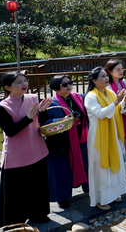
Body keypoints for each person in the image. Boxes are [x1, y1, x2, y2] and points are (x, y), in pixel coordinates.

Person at [0, 72, 53, 227]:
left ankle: (39, 214)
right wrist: (28, 117)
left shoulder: (33, 98)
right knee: (16, 193)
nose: (24, 84)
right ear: (7, 88)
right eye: (18, 82)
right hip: (16, 155)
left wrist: (42, 111)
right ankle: (14, 224)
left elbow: (42, 121)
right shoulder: (2, 107)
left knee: (38, 186)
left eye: (25, 81)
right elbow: (11, 132)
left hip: (37, 148)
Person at [85, 67, 126, 210]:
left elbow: (120, 109)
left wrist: (124, 99)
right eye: (102, 77)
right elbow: (101, 114)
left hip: (114, 133)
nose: (106, 79)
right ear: (94, 80)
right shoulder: (90, 96)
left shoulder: (110, 92)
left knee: (115, 164)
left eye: (106, 76)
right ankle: (101, 199)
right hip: (99, 138)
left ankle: (113, 194)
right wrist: (116, 102)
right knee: (102, 168)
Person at [45, 75, 89, 209]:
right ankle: (62, 197)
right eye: (65, 84)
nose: (69, 85)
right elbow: (41, 124)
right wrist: (60, 120)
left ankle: (88, 188)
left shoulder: (79, 96)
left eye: (70, 82)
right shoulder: (50, 103)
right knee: (62, 170)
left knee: (86, 164)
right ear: (55, 88)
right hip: (62, 141)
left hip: (81, 137)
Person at [106, 59, 126, 178]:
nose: (121, 71)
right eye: (118, 69)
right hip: (116, 117)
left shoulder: (123, 82)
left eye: (122, 69)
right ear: (110, 71)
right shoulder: (108, 85)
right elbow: (111, 102)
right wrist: (123, 109)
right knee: (120, 144)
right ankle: (122, 172)